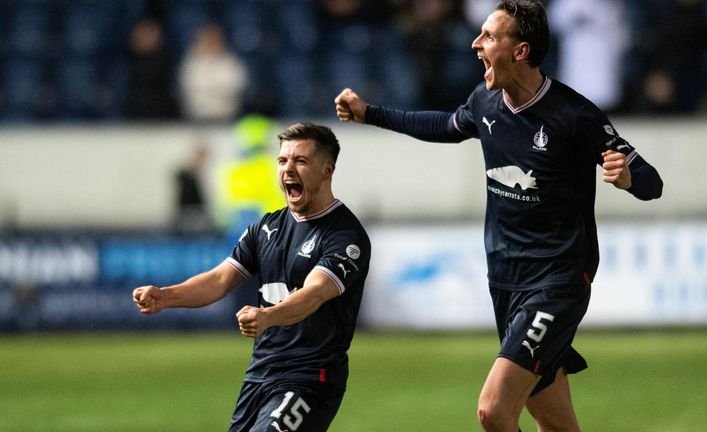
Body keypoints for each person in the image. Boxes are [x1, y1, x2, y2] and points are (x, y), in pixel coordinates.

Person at [335, 1, 663, 431]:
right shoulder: (485, 101)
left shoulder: (574, 115)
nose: (475, 43)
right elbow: (443, 126)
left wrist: (626, 178)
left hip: (556, 282)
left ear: (521, 50)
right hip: (506, 280)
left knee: (493, 410)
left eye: (489, 36)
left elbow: (650, 181)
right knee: (555, 421)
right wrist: (370, 114)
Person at [133, 122, 371, 432]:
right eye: (283, 160)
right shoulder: (266, 228)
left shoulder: (345, 237)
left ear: (327, 170)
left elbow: (314, 293)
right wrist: (166, 296)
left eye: (300, 161)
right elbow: (220, 279)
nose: (288, 169)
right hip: (260, 374)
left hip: (310, 377)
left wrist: (269, 316)